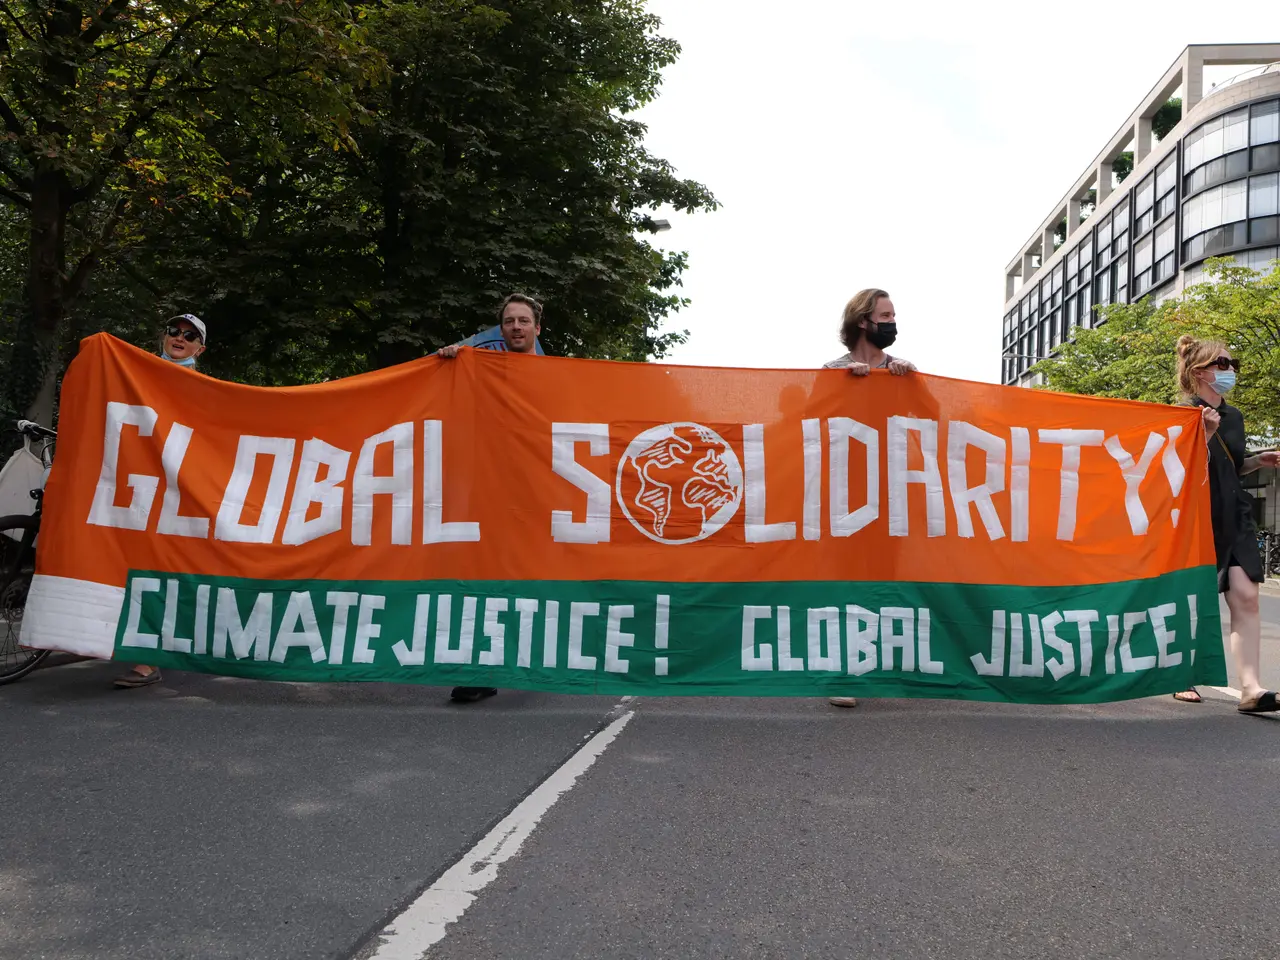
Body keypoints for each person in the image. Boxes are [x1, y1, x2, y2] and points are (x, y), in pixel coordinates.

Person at [437, 293, 544, 702]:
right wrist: (450, 360)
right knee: (484, 578)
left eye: (523, 320)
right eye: (509, 321)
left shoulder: (557, 376)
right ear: (501, 329)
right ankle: (481, 669)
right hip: (489, 493)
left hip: (537, 497)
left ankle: (540, 657)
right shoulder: (480, 367)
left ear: (537, 328)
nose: (516, 327)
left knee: (531, 581)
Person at [1172, 336, 1279, 713]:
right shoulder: (1182, 415)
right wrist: (1202, 435)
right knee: (1190, 598)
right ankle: (1181, 676)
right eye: (1222, 363)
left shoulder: (1234, 417)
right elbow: (1175, 470)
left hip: (1235, 513)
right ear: (1199, 371)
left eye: (1233, 364)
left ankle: (1251, 689)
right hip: (1196, 517)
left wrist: (1257, 461)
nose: (1229, 370)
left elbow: (1230, 465)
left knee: (1246, 595)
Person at [825, 289, 916, 709]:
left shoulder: (902, 372)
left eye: (894, 315)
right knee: (846, 582)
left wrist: (913, 383)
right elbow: (810, 423)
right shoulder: (832, 372)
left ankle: (876, 664)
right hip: (845, 496)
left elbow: (931, 421)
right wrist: (844, 387)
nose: (892, 322)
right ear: (863, 321)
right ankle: (843, 672)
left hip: (891, 495)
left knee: (884, 582)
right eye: (886, 315)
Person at [114, 314, 208, 689]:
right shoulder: (137, 372)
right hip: (136, 482)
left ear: (200, 348)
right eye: (174, 331)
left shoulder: (201, 386)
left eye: (189, 335)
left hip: (175, 490)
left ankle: (148, 659)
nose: (179, 337)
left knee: (156, 566)